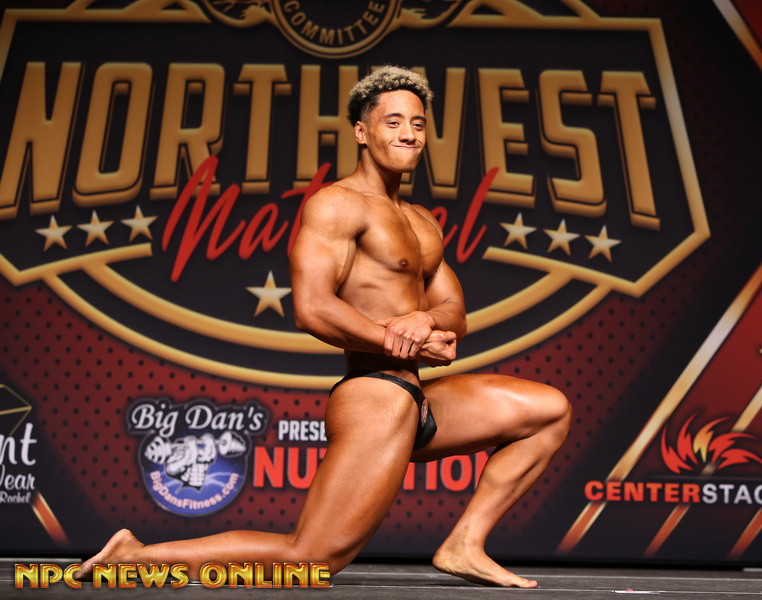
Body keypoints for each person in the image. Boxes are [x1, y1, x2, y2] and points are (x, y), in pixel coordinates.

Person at [77, 66, 571, 588]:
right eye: (393, 122)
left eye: (418, 124)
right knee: (310, 559)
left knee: (548, 411)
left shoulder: (422, 221)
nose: (408, 134)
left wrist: (424, 318)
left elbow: (454, 309)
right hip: (376, 396)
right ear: (362, 131)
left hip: (418, 398)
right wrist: (399, 341)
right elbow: (312, 308)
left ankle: (465, 543)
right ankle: (133, 557)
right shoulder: (337, 205)